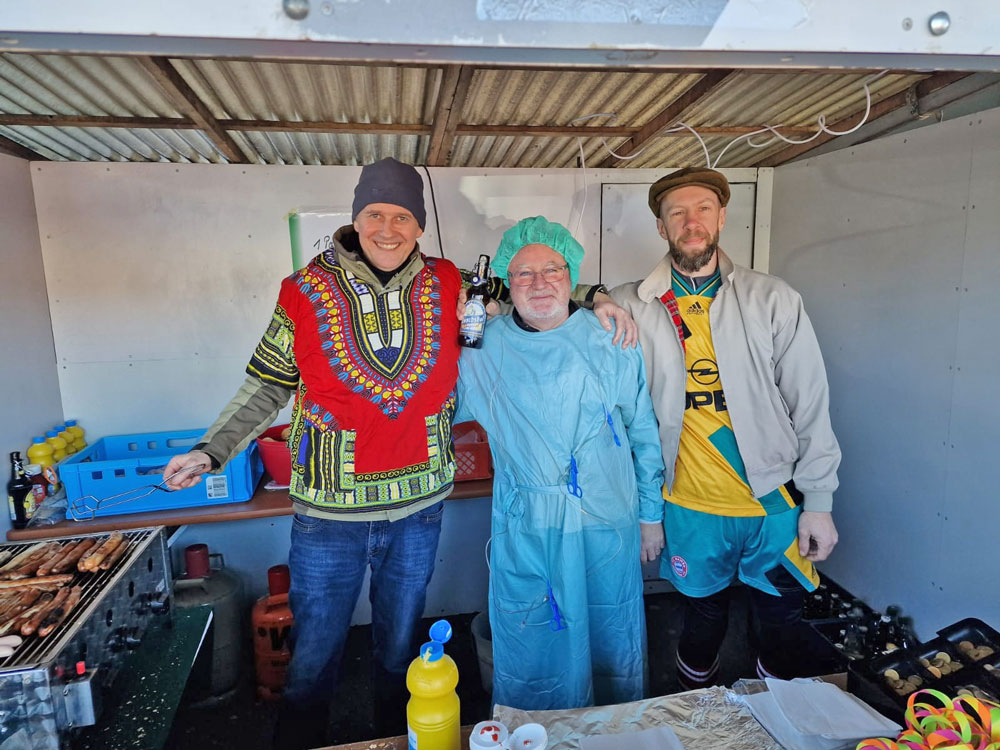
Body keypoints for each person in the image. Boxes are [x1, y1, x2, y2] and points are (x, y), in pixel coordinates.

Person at [161, 159, 636, 747]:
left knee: (401, 650)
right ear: (355, 219)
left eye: (403, 217)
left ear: (420, 225)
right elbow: (267, 385)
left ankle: (396, 739)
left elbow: (525, 282)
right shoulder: (303, 291)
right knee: (313, 654)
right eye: (375, 215)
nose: (388, 229)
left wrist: (597, 296)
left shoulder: (450, 281)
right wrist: (211, 452)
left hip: (418, 508)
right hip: (329, 514)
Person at [610, 167, 842, 689]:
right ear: (661, 227)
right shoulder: (631, 302)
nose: (691, 222)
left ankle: (773, 713)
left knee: (780, 623)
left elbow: (810, 403)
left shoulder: (773, 298)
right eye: (677, 213)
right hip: (689, 502)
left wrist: (820, 502)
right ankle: (698, 715)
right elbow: (557, 300)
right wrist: (599, 295)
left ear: (721, 219)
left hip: (772, 501)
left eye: (703, 210)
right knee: (702, 622)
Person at [455, 216, 666, 711]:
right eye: (524, 273)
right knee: (535, 641)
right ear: (507, 283)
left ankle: (613, 732)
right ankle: (534, 733)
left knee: (609, 631)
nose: (540, 283)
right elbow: (436, 409)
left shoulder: (610, 336)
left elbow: (643, 432)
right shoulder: (482, 348)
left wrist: (650, 516)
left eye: (552, 269)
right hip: (528, 525)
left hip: (606, 520)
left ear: (572, 278)